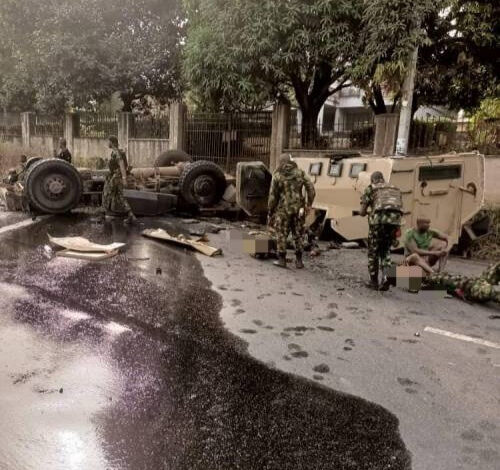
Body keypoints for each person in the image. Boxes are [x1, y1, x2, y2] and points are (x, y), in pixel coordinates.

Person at [267, 154, 315, 269]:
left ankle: (282, 260)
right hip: (299, 209)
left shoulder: (277, 175)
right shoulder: (300, 173)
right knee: (298, 234)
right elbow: (311, 189)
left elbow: (272, 196)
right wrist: (309, 204)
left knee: (281, 234)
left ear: (280, 162)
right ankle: (299, 261)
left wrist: (270, 211)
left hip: (282, 210)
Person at [360, 171, 403, 291]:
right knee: (385, 251)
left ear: (373, 180)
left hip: (378, 223)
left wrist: (367, 211)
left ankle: (373, 282)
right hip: (394, 222)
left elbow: (362, 212)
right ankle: (386, 278)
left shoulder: (371, 188)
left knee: (373, 252)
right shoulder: (395, 188)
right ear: (382, 179)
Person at [423, 262, 499, 304]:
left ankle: (427, 278)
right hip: (474, 286)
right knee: (447, 279)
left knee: (447, 279)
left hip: (473, 286)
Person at [100, 136, 136, 223]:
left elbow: (122, 165)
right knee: (120, 197)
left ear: (112, 142)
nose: (107, 143)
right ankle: (130, 215)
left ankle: (102, 215)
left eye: (108, 141)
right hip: (117, 177)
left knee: (106, 194)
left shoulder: (116, 152)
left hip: (115, 177)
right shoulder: (115, 152)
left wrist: (124, 178)